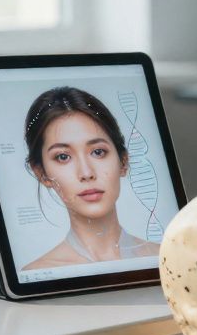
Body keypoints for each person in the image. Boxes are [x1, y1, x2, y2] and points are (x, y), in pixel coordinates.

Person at [21, 86, 158, 271]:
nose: (86, 173)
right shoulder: (38, 273)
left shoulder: (167, 258)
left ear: (123, 162)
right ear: (41, 174)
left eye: (98, 152)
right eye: (63, 156)